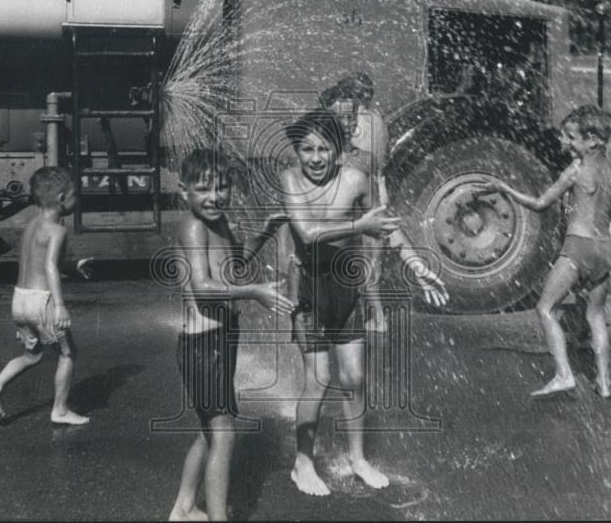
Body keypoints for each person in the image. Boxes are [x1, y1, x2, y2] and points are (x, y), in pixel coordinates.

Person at [282, 109, 404, 497]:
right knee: (317, 379)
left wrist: (415, 261)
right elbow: (306, 232)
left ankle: (358, 458)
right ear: (296, 151)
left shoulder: (356, 179)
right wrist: (358, 227)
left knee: (353, 378)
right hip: (309, 289)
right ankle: (303, 462)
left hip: (345, 286)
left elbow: (384, 224)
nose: (315, 158)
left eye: (324, 149)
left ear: (339, 151)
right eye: (307, 149)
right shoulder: (290, 179)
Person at [168, 148, 294, 521]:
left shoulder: (222, 224)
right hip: (202, 345)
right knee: (224, 434)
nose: (215, 196)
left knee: (210, 432)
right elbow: (203, 286)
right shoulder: (192, 227)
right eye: (204, 189)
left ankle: (184, 508)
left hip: (221, 341)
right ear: (183, 191)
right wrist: (255, 292)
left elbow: (236, 266)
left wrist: (266, 233)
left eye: (222, 187)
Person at [477, 105, 611, 398]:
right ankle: (604, 383)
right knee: (596, 316)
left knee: (545, 308)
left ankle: (564, 374)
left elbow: (540, 203)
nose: (564, 141)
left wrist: (504, 189)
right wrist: (604, 218)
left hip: (578, 246)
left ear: (591, 140)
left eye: (570, 137)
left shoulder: (575, 170)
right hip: (604, 247)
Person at [320, 73, 448, 332]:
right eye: (340, 119)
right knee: (370, 262)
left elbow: (383, 223)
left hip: (365, 195)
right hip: (378, 186)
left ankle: (375, 318)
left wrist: (415, 264)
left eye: (349, 119)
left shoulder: (353, 161)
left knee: (367, 263)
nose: (347, 125)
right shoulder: (377, 121)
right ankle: (375, 318)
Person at [0, 166, 88, 425]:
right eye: (76, 195)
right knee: (68, 353)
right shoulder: (57, 230)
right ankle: (60, 410)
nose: (77, 200)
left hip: (20, 299)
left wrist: (73, 267)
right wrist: (60, 306)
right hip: (43, 301)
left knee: (33, 355)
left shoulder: (30, 226)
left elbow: (39, 263)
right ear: (63, 199)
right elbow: (50, 266)